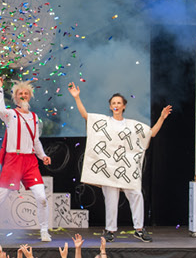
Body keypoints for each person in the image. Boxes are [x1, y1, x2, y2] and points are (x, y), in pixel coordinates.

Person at [67, 84, 172, 237]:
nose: (116, 105)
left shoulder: (132, 125)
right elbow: (86, 116)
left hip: (127, 169)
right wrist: (77, 97)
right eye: (113, 103)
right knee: (111, 199)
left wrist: (162, 118)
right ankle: (110, 230)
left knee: (136, 194)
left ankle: (139, 229)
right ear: (110, 106)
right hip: (109, 169)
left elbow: (151, 133)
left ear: (124, 106)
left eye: (118, 103)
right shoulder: (104, 122)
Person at [0, 80, 54, 241]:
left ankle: (44, 231)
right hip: (13, 161)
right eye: (20, 94)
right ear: (15, 98)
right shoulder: (10, 115)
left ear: (30, 96)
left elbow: (35, 141)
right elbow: (0, 109)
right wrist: (0, 89)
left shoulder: (35, 118)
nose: (23, 96)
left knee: (42, 198)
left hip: (30, 161)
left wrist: (43, 156)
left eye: (25, 93)